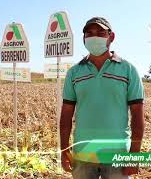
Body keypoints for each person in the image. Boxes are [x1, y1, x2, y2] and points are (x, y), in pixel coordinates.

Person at [60, 17, 144, 178]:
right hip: (83, 152)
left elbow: (137, 115)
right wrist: (64, 150)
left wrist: (135, 155)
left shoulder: (128, 70)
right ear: (84, 39)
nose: (94, 37)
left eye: (100, 32)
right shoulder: (74, 73)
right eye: (89, 33)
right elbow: (66, 116)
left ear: (111, 37)